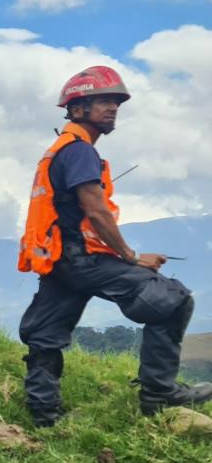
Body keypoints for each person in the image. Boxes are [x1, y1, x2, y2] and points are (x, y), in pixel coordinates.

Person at [17, 66, 212, 426]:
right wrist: (132, 258)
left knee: (45, 333)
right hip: (83, 260)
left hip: (60, 259)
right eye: (103, 101)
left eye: (116, 103)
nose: (112, 109)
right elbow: (96, 209)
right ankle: (159, 394)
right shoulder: (79, 152)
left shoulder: (61, 149)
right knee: (174, 300)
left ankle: (44, 414)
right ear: (77, 109)